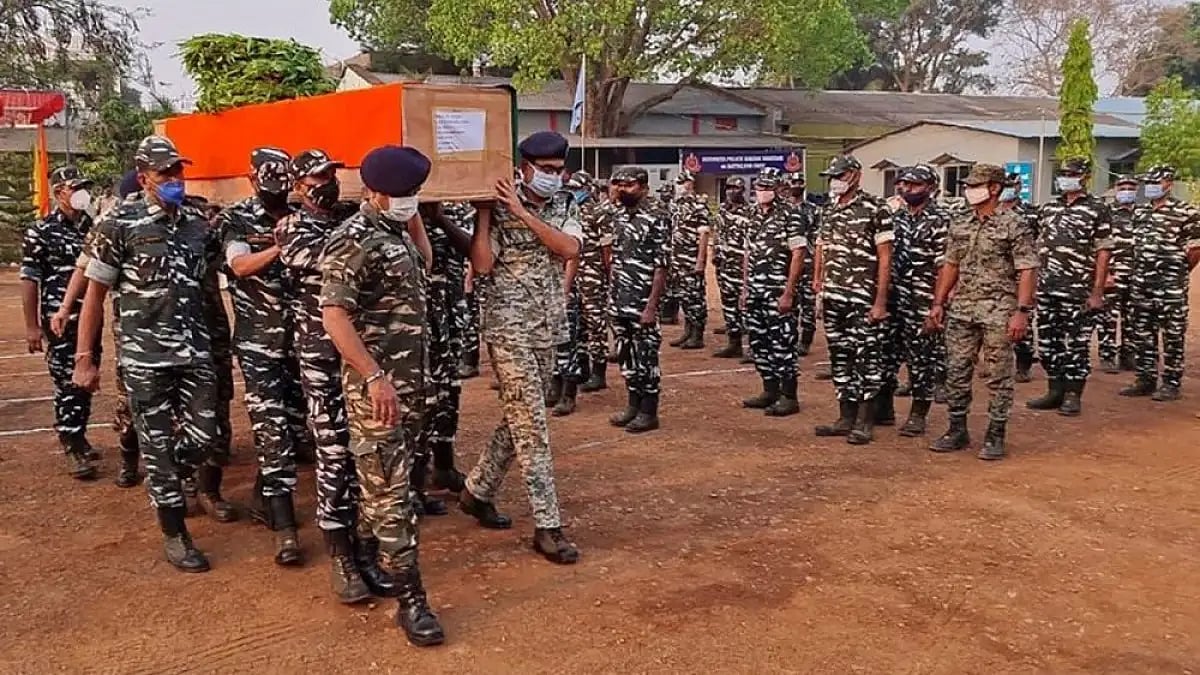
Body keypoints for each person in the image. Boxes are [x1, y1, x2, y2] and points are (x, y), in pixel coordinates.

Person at [73, 135, 221, 571]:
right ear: (144, 178)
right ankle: (176, 534)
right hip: (144, 358)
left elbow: (214, 276)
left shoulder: (196, 223)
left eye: (179, 170)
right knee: (157, 448)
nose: (176, 179)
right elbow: (95, 295)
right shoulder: (118, 223)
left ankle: (166, 472)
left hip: (194, 352)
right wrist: (85, 357)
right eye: (166, 173)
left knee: (204, 437)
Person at [320, 145, 444, 646]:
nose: (409, 200)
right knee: (391, 492)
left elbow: (429, 261)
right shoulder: (352, 240)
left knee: (388, 483)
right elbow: (334, 315)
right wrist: (373, 376)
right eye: (401, 194)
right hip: (378, 390)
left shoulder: (396, 229)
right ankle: (412, 600)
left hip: (412, 383)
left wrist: (412, 219)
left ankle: (369, 555)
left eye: (414, 193)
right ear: (373, 192)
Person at [462, 130, 582, 565]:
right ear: (524, 166)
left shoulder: (565, 204)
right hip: (507, 327)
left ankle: (477, 491)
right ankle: (548, 526)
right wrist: (487, 215)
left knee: (519, 417)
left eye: (557, 170)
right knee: (532, 425)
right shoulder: (496, 204)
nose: (553, 177)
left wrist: (524, 212)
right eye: (545, 170)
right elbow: (482, 263)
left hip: (548, 326)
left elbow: (569, 248)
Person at [277, 149, 383, 602]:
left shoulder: (348, 216)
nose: (329, 182)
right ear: (299, 185)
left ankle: (367, 547)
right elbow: (340, 262)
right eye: (319, 176)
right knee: (335, 453)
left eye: (332, 174)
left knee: (370, 453)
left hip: (360, 355)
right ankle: (341, 555)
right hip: (321, 359)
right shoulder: (292, 229)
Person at [217, 147, 302, 565]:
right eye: (269, 187)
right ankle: (284, 527)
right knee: (272, 430)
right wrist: (280, 249)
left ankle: (262, 493)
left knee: (298, 427)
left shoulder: (302, 210)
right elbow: (240, 266)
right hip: (259, 346)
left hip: (304, 343)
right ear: (252, 180)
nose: (277, 195)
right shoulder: (236, 219)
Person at [926, 163, 1038, 460]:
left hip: (999, 310)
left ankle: (995, 433)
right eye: (968, 185)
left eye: (975, 185)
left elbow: (1027, 269)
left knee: (999, 374)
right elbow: (951, 264)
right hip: (963, 308)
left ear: (994, 188)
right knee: (957, 369)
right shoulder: (960, 221)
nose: (968, 190)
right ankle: (957, 428)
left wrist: (1022, 312)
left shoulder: (1014, 223)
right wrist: (938, 303)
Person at [21, 165, 101, 480]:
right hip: (59, 319)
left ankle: (78, 434)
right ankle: (71, 441)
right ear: (58, 193)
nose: (82, 192)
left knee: (88, 375)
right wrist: (31, 326)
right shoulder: (40, 231)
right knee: (68, 380)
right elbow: (29, 280)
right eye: (74, 187)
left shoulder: (91, 227)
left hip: (90, 315)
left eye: (84, 186)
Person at [812, 155, 893, 444]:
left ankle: (864, 420)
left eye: (841, 175)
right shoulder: (829, 209)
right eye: (832, 176)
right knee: (839, 356)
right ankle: (845, 415)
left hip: (863, 297)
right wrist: (818, 280)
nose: (835, 181)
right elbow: (822, 245)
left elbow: (885, 258)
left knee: (867, 358)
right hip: (834, 295)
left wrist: (880, 301)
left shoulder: (875, 208)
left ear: (856, 175)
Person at [1025, 157, 1113, 417]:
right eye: (1062, 173)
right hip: (1047, 287)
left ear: (1084, 177)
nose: (1065, 177)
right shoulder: (1050, 208)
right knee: (1049, 342)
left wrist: (1097, 291)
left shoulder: (1097, 209)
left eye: (1071, 174)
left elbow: (1103, 251)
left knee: (1075, 343)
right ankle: (1054, 390)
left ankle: (1073, 394)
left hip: (1078, 289)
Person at [1119, 165, 1200, 401]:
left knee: (1173, 334)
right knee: (1142, 332)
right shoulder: (1140, 212)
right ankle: (1145, 378)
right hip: (1141, 285)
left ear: (1168, 183)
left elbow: (1195, 249)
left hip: (1170, 286)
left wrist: (1178, 270)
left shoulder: (1186, 212)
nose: (1151, 187)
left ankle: (1171, 382)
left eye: (1156, 182)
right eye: (1148, 182)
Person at [412, 200, 473, 508]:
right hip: (412, 324)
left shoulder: (457, 207)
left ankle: (445, 467)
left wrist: (441, 218)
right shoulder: (397, 205)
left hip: (448, 317)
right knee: (418, 402)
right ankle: (415, 485)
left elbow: (472, 249)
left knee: (448, 395)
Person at [885, 166, 950, 436]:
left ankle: (918, 414)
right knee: (887, 354)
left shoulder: (942, 220)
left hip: (924, 299)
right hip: (895, 298)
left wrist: (939, 303)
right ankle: (883, 409)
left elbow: (946, 266)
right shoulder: (896, 217)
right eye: (904, 184)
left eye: (915, 185)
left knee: (922, 359)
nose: (907, 189)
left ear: (930, 187)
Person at [607, 167, 671, 432]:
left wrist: (652, 306)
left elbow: (662, 266)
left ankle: (648, 411)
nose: (622, 189)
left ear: (643, 186)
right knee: (626, 356)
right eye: (619, 184)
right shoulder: (620, 216)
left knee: (646, 357)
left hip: (643, 301)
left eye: (629, 185)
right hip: (620, 299)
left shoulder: (657, 216)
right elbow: (616, 259)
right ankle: (632, 404)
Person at [740, 167, 806, 417]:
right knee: (759, 342)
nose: (762, 192)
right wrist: (745, 288)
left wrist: (789, 292)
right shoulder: (753, 215)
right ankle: (769, 390)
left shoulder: (791, 215)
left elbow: (799, 254)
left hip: (778, 291)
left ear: (779, 189)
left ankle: (789, 396)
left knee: (783, 344)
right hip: (756, 290)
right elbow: (748, 254)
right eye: (759, 187)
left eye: (767, 188)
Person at [548, 174, 590, 415]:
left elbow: (572, 256)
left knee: (567, 341)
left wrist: (564, 291)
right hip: (547, 288)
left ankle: (568, 393)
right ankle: (555, 387)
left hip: (565, 289)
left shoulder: (571, 214)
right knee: (552, 342)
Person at [574, 171, 615, 394]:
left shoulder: (600, 212)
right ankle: (582, 368)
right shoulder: (570, 211)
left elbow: (607, 248)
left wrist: (609, 276)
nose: (574, 192)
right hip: (575, 274)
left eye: (578, 188)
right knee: (578, 323)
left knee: (595, 322)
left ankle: (599, 372)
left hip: (594, 275)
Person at [998, 173, 1040, 383]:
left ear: (1018, 187)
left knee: (1023, 318)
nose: (1006, 189)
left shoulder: (1031, 214)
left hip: (1022, 274)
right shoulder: (992, 212)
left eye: (1011, 185)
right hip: (996, 275)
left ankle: (1023, 364)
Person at [666, 170, 711, 350]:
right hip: (677, 258)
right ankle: (688, 330)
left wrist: (700, 260)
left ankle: (697, 335)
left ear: (691, 184)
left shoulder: (699, 206)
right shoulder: (674, 205)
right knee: (683, 296)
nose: (681, 186)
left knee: (695, 297)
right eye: (678, 183)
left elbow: (704, 235)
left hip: (691, 258)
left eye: (684, 183)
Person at [1100, 174, 1140, 374]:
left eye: (1131, 187)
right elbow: (1099, 247)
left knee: (1131, 318)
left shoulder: (1142, 214)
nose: (1126, 191)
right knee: (1108, 318)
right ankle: (1107, 355)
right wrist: (1106, 274)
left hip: (1136, 275)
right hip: (1113, 275)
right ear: (1115, 189)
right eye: (1122, 187)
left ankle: (1128, 355)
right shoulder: (1106, 214)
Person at [713, 177, 752, 358]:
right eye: (729, 187)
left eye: (736, 187)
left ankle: (753, 348)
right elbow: (717, 233)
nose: (731, 191)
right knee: (729, 306)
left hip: (742, 266)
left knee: (747, 308)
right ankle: (734, 343)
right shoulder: (722, 210)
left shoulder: (751, 212)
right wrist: (715, 252)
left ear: (743, 190)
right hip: (724, 266)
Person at [783, 171, 820, 357]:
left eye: (800, 182)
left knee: (808, 305)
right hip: (786, 264)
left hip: (807, 263)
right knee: (788, 304)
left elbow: (819, 238)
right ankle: (789, 338)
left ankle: (805, 341)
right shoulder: (782, 209)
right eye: (793, 181)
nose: (796, 185)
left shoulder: (813, 210)